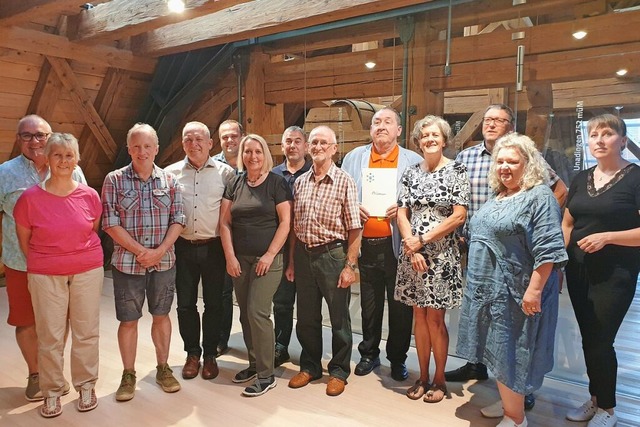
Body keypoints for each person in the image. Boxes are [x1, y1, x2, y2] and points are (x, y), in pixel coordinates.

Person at [450, 104, 568, 414]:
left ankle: (516, 419)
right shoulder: (499, 194)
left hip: (516, 293)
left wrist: (534, 290)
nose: (504, 167)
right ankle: (507, 405)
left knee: (515, 351)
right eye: (500, 161)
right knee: (498, 352)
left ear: (528, 164)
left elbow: (550, 249)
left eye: (512, 162)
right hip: (489, 292)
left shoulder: (539, 195)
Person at [14, 133, 103, 417]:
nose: (64, 160)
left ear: (77, 159)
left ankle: (86, 385)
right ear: (47, 158)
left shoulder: (90, 195)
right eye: (57, 155)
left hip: (87, 270)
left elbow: (93, 229)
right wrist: (47, 262)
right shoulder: (29, 199)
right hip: (45, 273)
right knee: (50, 335)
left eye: (69, 155)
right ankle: (51, 391)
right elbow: (24, 240)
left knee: (86, 331)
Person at [0, 114, 85, 401]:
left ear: (51, 137)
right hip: (20, 263)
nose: (35, 141)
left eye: (41, 135)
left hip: (63, 264)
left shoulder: (71, 168)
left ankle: (54, 371)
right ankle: (36, 374)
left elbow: (87, 211)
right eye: (27, 135)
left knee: (59, 321)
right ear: (18, 139)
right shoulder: (5, 174)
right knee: (26, 321)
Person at [562, 114, 640, 427]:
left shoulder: (636, 178)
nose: (599, 140)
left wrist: (609, 237)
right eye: (594, 134)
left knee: (600, 340)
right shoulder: (581, 178)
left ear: (622, 140)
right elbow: (568, 222)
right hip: (578, 271)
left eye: (607, 134)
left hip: (616, 274)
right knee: (588, 338)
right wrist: (558, 259)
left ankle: (607, 408)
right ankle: (595, 398)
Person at [101, 123, 185, 402]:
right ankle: (128, 374)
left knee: (161, 316)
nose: (142, 151)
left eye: (147, 146)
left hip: (164, 262)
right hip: (127, 264)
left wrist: (159, 251)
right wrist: (142, 252)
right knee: (128, 320)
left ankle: (163, 369)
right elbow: (110, 223)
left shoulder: (170, 181)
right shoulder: (114, 180)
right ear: (129, 149)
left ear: (156, 149)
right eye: (136, 146)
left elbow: (179, 219)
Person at [341, 107, 422, 381]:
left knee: (400, 305)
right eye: (377, 122)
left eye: (388, 122)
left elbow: (422, 202)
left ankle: (398, 358)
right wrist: (355, 207)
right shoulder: (354, 158)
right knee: (369, 303)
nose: (381, 126)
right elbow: (343, 193)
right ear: (371, 129)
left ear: (399, 130)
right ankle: (368, 353)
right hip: (366, 244)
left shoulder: (414, 160)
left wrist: (402, 207)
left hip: (398, 245)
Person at [395, 116, 469, 403]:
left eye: (435, 135)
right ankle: (422, 376)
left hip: (440, 256)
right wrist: (412, 246)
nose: (429, 139)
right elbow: (402, 212)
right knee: (419, 316)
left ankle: (440, 379)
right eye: (424, 135)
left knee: (436, 319)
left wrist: (422, 241)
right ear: (418, 141)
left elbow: (459, 215)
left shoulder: (456, 170)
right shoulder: (411, 172)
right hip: (412, 254)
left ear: (444, 139)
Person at [287, 126, 362, 397]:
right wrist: (293, 263)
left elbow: (355, 228)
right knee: (306, 316)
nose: (318, 147)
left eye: (324, 143)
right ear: (308, 148)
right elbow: (295, 226)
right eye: (314, 142)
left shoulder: (345, 181)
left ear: (334, 148)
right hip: (304, 255)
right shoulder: (300, 182)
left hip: (333, 255)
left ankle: (339, 371)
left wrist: (349, 266)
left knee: (339, 317)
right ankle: (310, 366)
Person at [219, 134, 292, 396]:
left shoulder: (277, 183)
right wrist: (230, 256)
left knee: (258, 312)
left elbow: (285, 222)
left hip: (267, 260)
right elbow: (225, 222)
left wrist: (271, 254)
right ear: (242, 155)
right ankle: (254, 363)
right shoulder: (234, 182)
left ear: (265, 155)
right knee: (245, 314)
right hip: (241, 259)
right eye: (248, 151)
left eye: (258, 151)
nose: (253, 156)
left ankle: (266, 374)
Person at [165, 122, 235, 381]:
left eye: (199, 140)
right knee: (185, 305)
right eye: (187, 139)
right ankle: (192, 354)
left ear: (209, 144)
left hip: (214, 247)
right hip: (182, 247)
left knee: (215, 304)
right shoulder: (170, 173)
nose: (193, 144)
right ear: (182, 143)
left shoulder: (226, 173)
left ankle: (210, 355)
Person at [271, 126, 311, 367]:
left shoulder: (314, 171)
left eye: (298, 141)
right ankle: (280, 346)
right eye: (288, 141)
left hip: (308, 248)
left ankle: (309, 350)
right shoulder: (273, 175)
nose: (293, 145)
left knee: (308, 305)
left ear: (305, 146)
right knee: (282, 302)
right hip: (282, 248)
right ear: (282, 146)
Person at [213, 119, 243, 357]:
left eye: (234, 136)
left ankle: (256, 341)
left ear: (241, 136)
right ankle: (221, 339)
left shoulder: (254, 158)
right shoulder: (212, 166)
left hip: (250, 236)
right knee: (222, 292)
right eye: (225, 137)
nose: (230, 140)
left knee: (250, 295)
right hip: (223, 237)